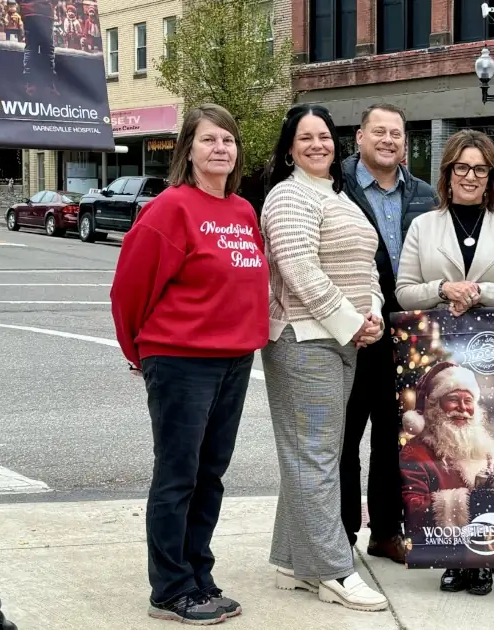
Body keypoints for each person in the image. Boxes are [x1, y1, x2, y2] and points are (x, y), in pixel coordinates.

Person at [110, 104, 267, 625]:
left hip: (234, 359)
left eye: (228, 139)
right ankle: (171, 588)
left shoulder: (243, 211)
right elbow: (129, 289)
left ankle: (199, 573)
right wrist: (140, 352)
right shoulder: (171, 208)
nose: (220, 148)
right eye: (208, 140)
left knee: (210, 474)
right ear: (188, 150)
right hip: (180, 359)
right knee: (178, 475)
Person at [394, 129, 494, 595]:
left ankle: (484, 557)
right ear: (448, 173)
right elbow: (403, 290)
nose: (470, 177)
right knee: (444, 461)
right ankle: (451, 558)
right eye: (462, 168)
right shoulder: (425, 226)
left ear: (490, 176)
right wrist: (442, 289)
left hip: (492, 356)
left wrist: (479, 291)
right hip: (445, 346)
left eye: (480, 169)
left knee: (482, 461)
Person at [260, 103, 389, 612]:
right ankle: (335, 570)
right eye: (306, 137)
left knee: (316, 453)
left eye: (324, 136)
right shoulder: (287, 196)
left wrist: (372, 312)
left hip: (343, 338)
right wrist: (352, 321)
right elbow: (298, 271)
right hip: (304, 338)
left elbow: (367, 266)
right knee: (314, 456)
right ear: (289, 146)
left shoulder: (337, 194)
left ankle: (292, 561)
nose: (318, 145)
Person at [338, 103, 437, 563]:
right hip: (350, 329)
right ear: (359, 137)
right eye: (378, 132)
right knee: (343, 436)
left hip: (406, 330)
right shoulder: (335, 187)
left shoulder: (422, 193)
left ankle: (385, 530)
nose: (388, 140)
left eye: (396, 133)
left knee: (393, 436)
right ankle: (340, 532)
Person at [398, 362, 494, 596]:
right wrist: (469, 500)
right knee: (482, 499)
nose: (462, 408)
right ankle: (455, 563)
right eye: (453, 399)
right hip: (443, 541)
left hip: (488, 536)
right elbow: (413, 504)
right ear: (436, 404)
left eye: (468, 401)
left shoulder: (483, 444)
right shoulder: (416, 451)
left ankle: (482, 563)